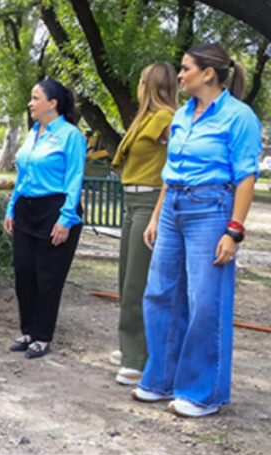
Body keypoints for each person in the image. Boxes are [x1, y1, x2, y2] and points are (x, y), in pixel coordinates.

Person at [132, 44, 262, 417]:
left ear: (209, 74)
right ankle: (161, 380)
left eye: (186, 68)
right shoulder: (182, 114)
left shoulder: (239, 117)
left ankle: (203, 393)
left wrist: (234, 230)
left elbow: (245, 177)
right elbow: (169, 172)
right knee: (160, 294)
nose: (180, 75)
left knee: (205, 300)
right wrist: (157, 216)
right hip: (173, 206)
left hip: (211, 209)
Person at [4, 79, 86, 359]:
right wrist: (11, 208)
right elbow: (23, 175)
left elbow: (75, 178)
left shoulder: (71, 136)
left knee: (47, 276)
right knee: (24, 271)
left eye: (35, 98)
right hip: (27, 208)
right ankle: (27, 330)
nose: (30, 103)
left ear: (52, 103)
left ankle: (42, 336)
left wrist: (66, 217)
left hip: (56, 209)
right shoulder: (33, 133)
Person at [108, 63, 177, 386]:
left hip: (150, 201)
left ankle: (139, 358)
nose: (136, 85)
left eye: (140, 80)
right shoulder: (143, 119)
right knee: (126, 277)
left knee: (138, 281)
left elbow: (177, 162)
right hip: (131, 201)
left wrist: (158, 213)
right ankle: (132, 346)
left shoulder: (167, 120)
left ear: (150, 85)